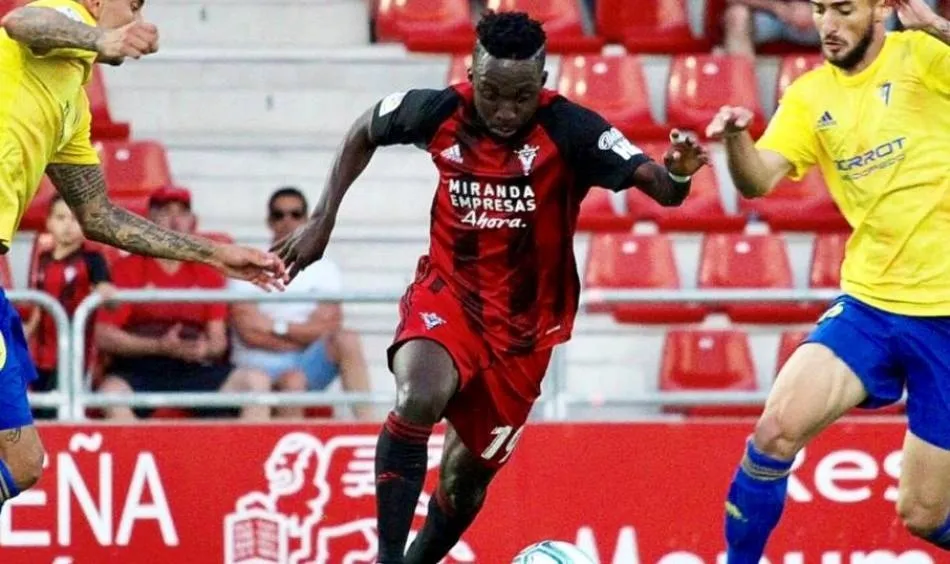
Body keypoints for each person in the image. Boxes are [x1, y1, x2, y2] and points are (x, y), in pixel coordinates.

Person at [272, 11, 709, 564]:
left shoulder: (573, 130)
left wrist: (680, 173)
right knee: (418, 395)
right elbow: (365, 128)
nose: (504, 111)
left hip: (525, 336)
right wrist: (322, 220)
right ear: (471, 74)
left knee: (463, 482)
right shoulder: (438, 111)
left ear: (543, 83)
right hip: (448, 296)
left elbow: (661, 188)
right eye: (491, 93)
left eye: (520, 97)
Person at [0, 0, 284, 513]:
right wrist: (101, 40)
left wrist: (214, 254)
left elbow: (102, 218)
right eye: (129, 4)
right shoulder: (63, 17)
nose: (135, 16)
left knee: (23, 465)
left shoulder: (73, 109)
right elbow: (21, 22)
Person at [704, 0, 950, 560]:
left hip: (946, 318)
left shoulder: (927, 56)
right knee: (774, 432)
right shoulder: (811, 95)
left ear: (881, 8)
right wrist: (737, 141)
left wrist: (937, 27)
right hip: (871, 306)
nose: (828, 26)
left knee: (922, 514)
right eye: (819, 10)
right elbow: (757, 181)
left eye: (843, 10)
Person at [94, 186, 272, 421]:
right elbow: (104, 335)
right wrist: (158, 346)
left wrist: (204, 349)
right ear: (148, 220)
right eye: (165, 212)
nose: (174, 220)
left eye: (181, 212)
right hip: (140, 367)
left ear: (192, 221)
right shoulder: (125, 269)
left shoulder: (208, 272)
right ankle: (136, 457)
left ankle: (251, 458)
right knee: (111, 393)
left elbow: (217, 340)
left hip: (194, 367)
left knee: (256, 382)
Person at [229, 186, 373, 420]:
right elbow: (247, 331)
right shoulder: (249, 264)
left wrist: (275, 327)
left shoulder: (325, 269)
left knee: (347, 339)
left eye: (295, 214)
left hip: (305, 362)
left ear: (306, 220)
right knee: (289, 380)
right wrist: (304, 335)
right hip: (258, 365)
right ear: (269, 221)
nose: (287, 221)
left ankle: (370, 425)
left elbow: (330, 326)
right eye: (279, 214)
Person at [23, 194, 114, 419]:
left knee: (63, 410)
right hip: (41, 354)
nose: (67, 225)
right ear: (49, 223)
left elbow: (108, 295)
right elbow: (40, 304)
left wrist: (106, 293)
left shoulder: (93, 260)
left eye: (75, 219)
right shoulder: (43, 259)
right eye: (61, 218)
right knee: (39, 409)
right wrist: (27, 331)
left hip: (75, 353)